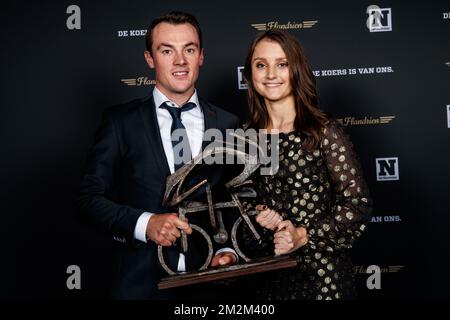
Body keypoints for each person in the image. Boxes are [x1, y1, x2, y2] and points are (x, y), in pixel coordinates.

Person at [77, 11, 240, 299]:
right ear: (150, 58)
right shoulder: (120, 123)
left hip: (210, 286)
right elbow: (88, 199)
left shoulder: (228, 124)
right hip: (140, 286)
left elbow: (233, 201)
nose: (180, 61)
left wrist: (227, 251)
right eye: (167, 50)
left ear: (200, 56)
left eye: (188, 49)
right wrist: (145, 223)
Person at [240, 29, 372, 300]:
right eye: (261, 65)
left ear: (296, 69)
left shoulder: (322, 131)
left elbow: (357, 206)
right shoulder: (245, 139)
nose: (271, 74)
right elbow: (241, 217)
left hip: (323, 279)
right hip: (268, 280)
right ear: (250, 75)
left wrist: (303, 235)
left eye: (282, 64)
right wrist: (260, 219)